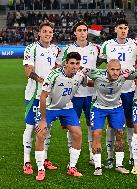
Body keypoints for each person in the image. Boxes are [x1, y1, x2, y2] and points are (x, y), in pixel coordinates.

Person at [34, 52, 86, 181]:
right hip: (49, 108)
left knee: (78, 133)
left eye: (77, 63)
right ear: (66, 63)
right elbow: (43, 97)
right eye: (72, 63)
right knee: (41, 133)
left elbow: (89, 83)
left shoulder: (80, 76)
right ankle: (40, 169)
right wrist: (43, 120)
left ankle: (72, 167)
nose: (75, 66)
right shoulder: (54, 75)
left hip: (66, 107)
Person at [100, 19, 137, 167]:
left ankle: (132, 155)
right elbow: (98, 63)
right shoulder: (107, 45)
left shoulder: (135, 44)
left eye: (126, 28)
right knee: (112, 124)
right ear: (115, 30)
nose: (124, 30)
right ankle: (110, 157)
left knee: (130, 122)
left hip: (129, 90)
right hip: (112, 90)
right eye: (121, 28)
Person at [56, 21, 100, 164]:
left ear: (87, 32)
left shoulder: (95, 48)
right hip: (73, 94)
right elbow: (58, 67)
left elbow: (97, 65)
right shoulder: (67, 49)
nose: (82, 32)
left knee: (91, 124)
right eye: (79, 30)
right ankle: (72, 156)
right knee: (72, 125)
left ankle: (92, 156)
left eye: (84, 30)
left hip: (91, 93)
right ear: (74, 32)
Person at [22, 20, 59, 175]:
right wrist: (42, 80)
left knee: (47, 128)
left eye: (50, 32)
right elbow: (28, 71)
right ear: (39, 33)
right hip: (34, 96)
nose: (47, 34)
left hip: (49, 96)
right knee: (30, 127)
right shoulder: (31, 49)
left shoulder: (56, 49)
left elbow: (57, 68)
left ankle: (44, 158)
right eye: (45, 31)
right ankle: (27, 162)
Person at [84, 59, 130, 176]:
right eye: (112, 69)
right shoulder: (96, 74)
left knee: (120, 133)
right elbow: (80, 69)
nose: (115, 72)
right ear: (107, 69)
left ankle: (119, 164)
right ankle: (98, 166)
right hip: (98, 108)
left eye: (117, 69)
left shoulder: (124, 74)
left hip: (116, 108)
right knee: (96, 134)